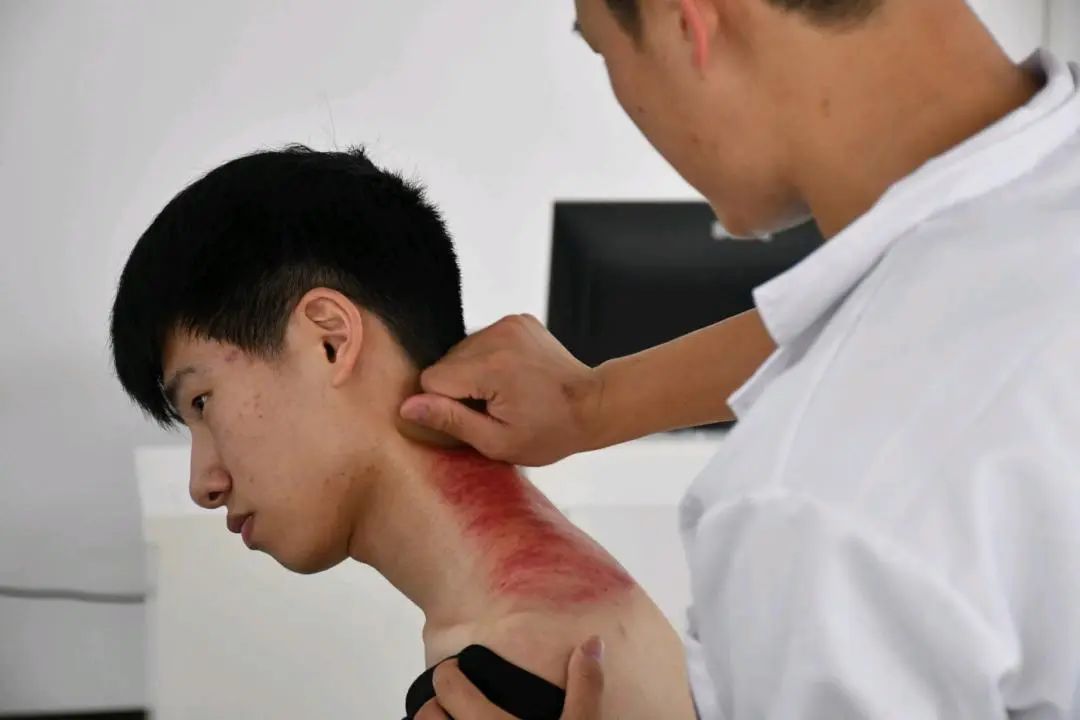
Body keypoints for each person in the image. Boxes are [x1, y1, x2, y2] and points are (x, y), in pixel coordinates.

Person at [400, 0, 1080, 717]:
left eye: (603, 51)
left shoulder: (820, 509)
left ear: (686, 23)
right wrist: (594, 401)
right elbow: (945, 315)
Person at [108, 146, 694, 720]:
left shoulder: (501, 674)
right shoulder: (560, 611)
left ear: (329, 340)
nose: (202, 484)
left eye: (202, 402)